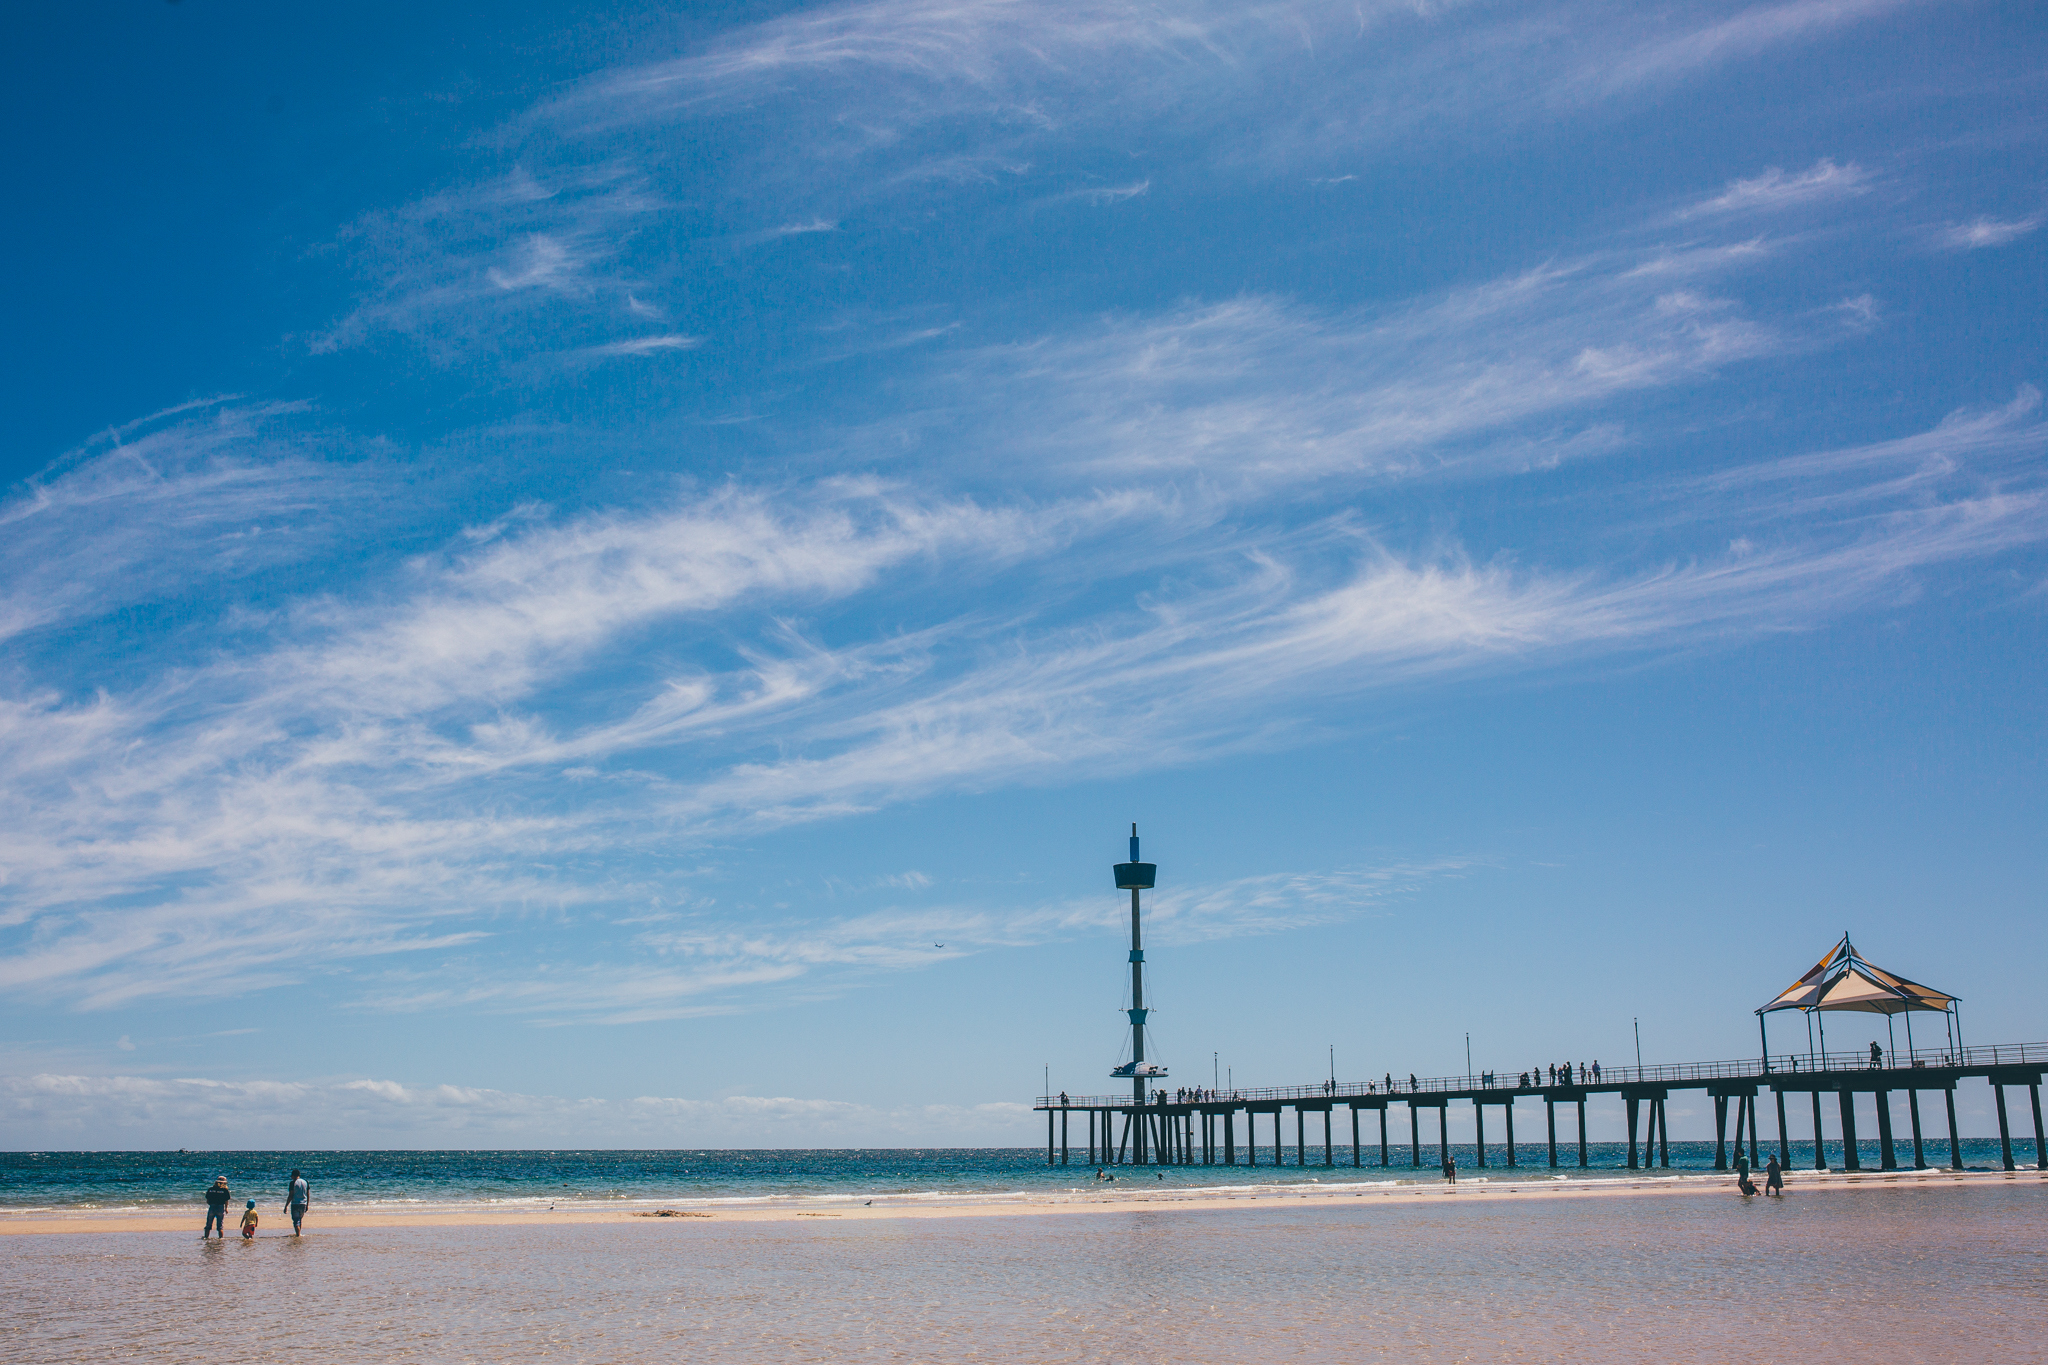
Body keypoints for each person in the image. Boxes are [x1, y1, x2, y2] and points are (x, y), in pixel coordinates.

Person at [284, 1169, 310, 1235]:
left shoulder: (293, 1183)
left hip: (295, 1203)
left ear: (293, 1176)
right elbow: (308, 1194)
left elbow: (290, 1195)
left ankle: (298, 1235)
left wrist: (286, 1205)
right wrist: (307, 1204)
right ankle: (299, 1233)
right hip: (303, 1203)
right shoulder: (305, 1182)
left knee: (296, 1221)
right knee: (300, 1220)